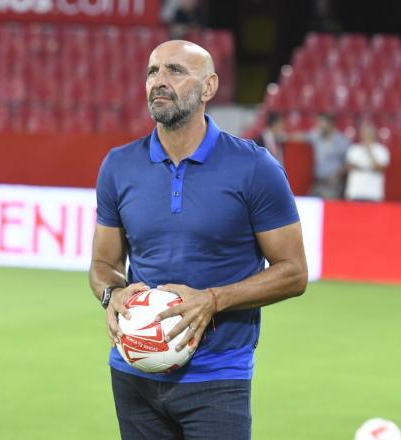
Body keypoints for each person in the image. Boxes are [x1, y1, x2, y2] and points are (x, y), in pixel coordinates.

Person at [89, 40, 308, 440]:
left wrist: (212, 300)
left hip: (218, 377)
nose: (159, 81)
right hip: (133, 371)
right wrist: (111, 296)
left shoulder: (254, 168)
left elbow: (293, 273)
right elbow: (103, 265)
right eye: (152, 72)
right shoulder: (119, 166)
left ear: (208, 87)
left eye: (175, 71)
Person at [305, 113, 350, 199]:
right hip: (316, 183)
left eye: (322, 123)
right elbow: (300, 137)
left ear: (330, 124)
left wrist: (337, 174)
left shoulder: (342, 141)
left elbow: (348, 163)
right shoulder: (315, 136)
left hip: (332, 185)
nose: (319, 126)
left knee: (329, 209)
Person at [345, 123, 391, 201]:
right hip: (355, 192)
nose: (366, 136)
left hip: (374, 194)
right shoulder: (354, 149)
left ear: (374, 135)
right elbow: (349, 167)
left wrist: (370, 151)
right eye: (365, 134)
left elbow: (379, 168)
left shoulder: (381, 150)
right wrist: (369, 167)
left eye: (369, 134)